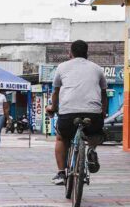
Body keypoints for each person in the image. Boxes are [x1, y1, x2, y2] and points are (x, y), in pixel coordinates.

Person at [46, 40, 108, 185]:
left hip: (68, 114)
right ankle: (91, 150)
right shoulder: (97, 68)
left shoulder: (62, 67)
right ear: (87, 53)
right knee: (97, 133)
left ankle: (61, 173)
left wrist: (53, 108)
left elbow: (56, 92)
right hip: (93, 114)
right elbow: (103, 94)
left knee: (61, 138)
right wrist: (102, 113)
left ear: (70, 53)